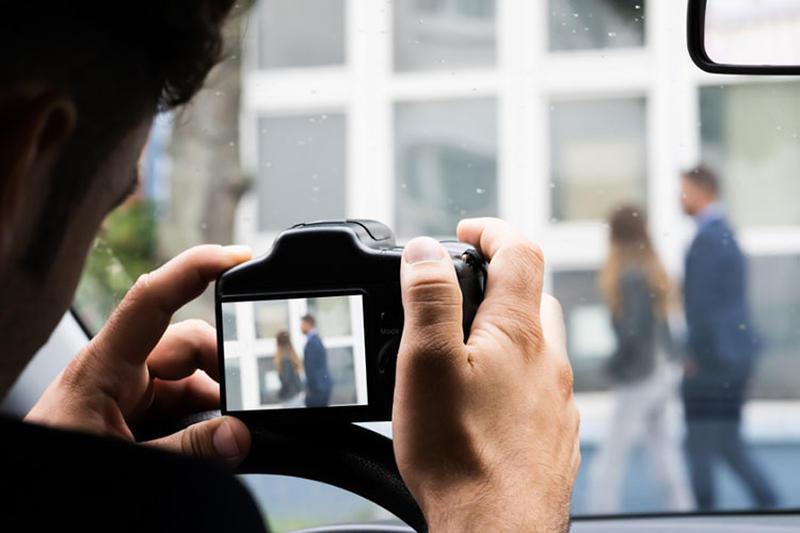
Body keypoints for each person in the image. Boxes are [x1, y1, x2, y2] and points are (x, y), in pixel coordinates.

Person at [0, 2, 580, 531]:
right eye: (104, 207)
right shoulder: (181, 509)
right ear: (18, 162)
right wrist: (505, 499)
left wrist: (47, 474)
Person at [679, 164, 777, 510]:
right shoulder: (721, 234)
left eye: (685, 191)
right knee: (725, 441)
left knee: (700, 445)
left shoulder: (711, 238)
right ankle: (769, 503)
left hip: (714, 361)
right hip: (730, 356)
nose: (681, 198)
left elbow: (703, 306)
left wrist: (694, 356)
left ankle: (704, 519)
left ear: (704, 192)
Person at [587, 205, 693, 513]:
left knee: (612, 455)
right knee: (663, 448)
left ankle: (599, 515)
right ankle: (682, 509)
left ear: (614, 233)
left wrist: (610, 366)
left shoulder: (628, 273)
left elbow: (633, 332)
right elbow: (661, 325)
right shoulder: (650, 266)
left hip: (642, 376)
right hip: (664, 370)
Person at [300, 314, 333, 408]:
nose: (300, 327)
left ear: (308, 324)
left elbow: (311, 369)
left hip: (317, 390)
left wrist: (310, 389)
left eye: (302, 324)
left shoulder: (312, 343)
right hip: (321, 387)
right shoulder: (316, 339)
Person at [274, 330, 304, 407]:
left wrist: (279, 394)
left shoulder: (284, 359)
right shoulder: (291, 355)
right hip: (297, 394)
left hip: (290, 397)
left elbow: (285, 380)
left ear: (278, 343)